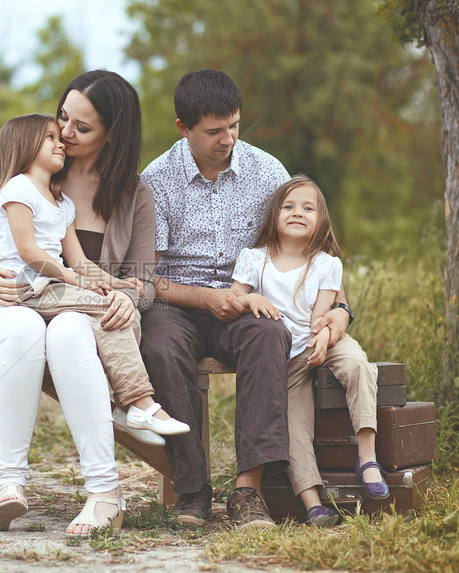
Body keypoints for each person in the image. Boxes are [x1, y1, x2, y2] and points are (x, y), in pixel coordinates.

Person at [140, 69, 354, 528]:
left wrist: (340, 308)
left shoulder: (266, 171)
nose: (228, 139)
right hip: (177, 305)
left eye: (234, 126)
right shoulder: (156, 180)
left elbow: (312, 248)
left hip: (249, 304)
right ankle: (192, 490)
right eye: (214, 131)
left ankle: (247, 490)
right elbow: (146, 276)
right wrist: (207, 298)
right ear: (184, 128)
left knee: (268, 334)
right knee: (157, 345)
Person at [0, 70, 159, 536]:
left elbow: (143, 280)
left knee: (69, 329)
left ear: (112, 135)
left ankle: (105, 494)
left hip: (80, 316)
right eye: (62, 119)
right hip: (9, 310)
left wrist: (128, 299)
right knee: (25, 328)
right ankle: (8, 484)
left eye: (83, 127)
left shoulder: (134, 196)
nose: (66, 134)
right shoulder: (23, 176)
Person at [0, 113, 189, 442]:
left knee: (122, 311)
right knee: (105, 308)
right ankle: (141, 402)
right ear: (25, 145)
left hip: (51, 286)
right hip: (26, 286)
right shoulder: (17, 188)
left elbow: (79, 262)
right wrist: (74, 280)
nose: (60, 142)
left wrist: (119, 284)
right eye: (50, 137)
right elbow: (28, 253)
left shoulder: (60, 202)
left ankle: (129, 405)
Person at [229, 175, 386, 527]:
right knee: (294, 425)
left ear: (321, 220)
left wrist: (324, 338)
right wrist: (250, 297)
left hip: (325, 340)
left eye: (307, 207)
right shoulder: (254, 259)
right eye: (288, 206)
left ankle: (367, 454)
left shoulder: (326, 263)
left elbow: (323, 315)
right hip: (288, 356)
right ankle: (313, 502)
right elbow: (234, 297)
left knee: (359, 364)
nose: (297, 212)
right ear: (274, 215)